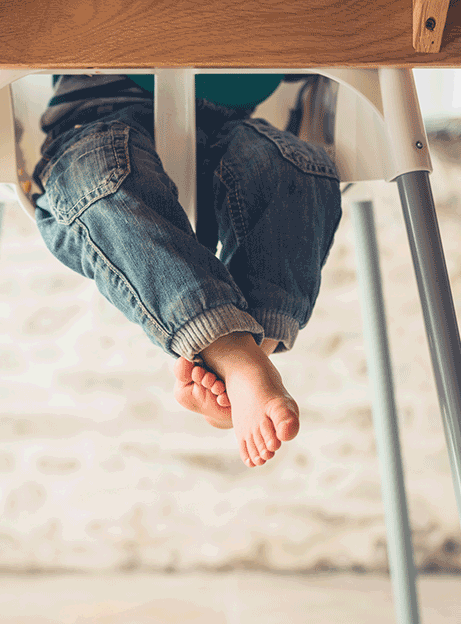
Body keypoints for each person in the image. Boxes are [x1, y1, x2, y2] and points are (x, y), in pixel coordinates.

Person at [29, 73, 342, 468]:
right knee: (103, 182)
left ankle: (243, 360)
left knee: (294, 165)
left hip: (226, 126)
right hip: (98, 119)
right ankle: (234, 355)